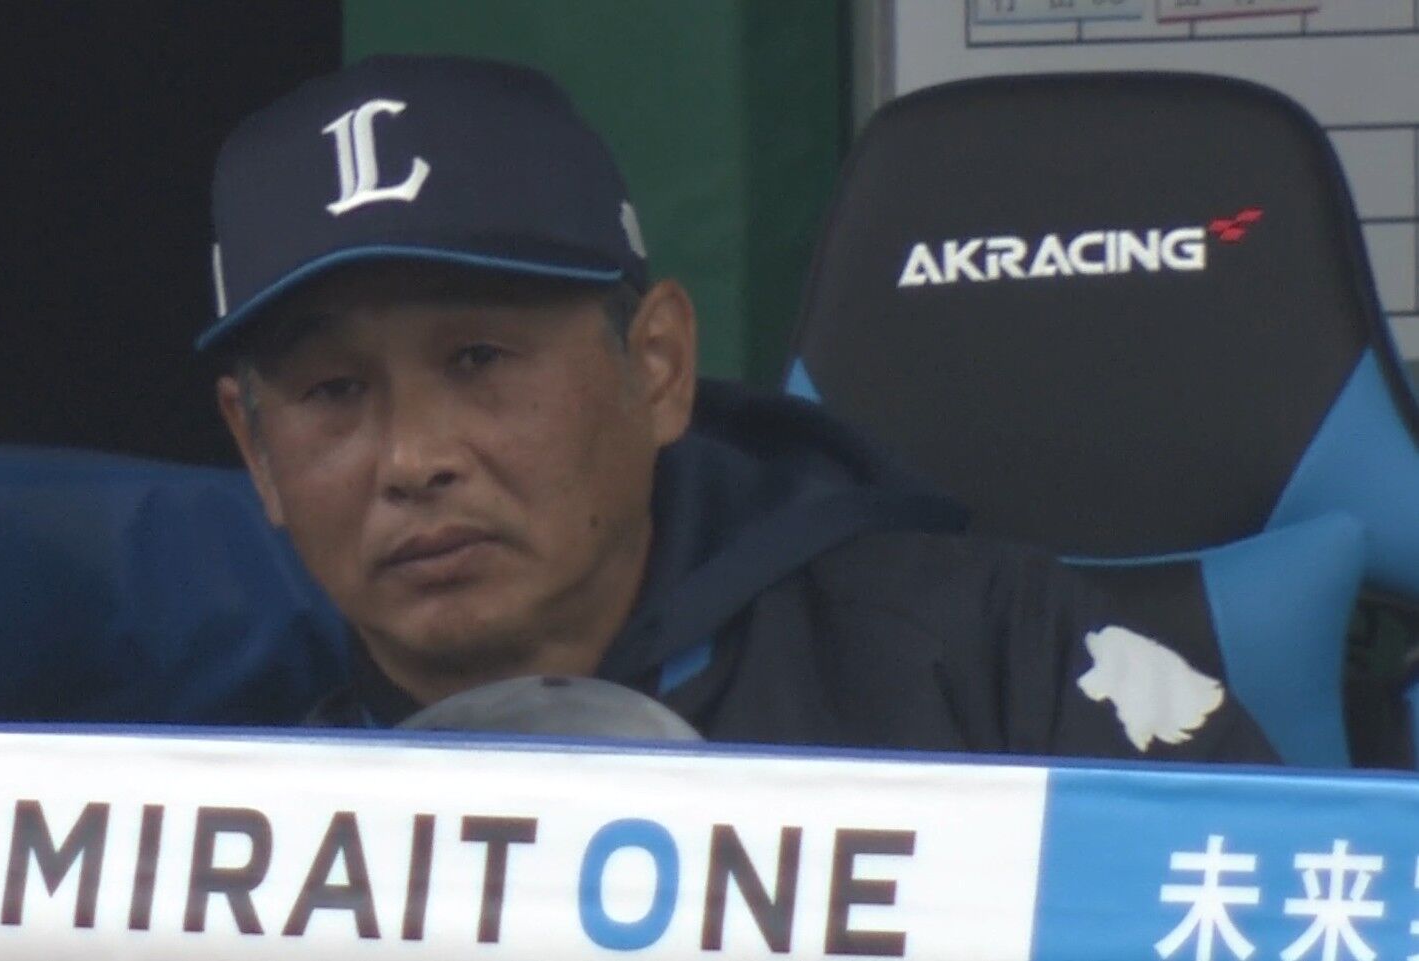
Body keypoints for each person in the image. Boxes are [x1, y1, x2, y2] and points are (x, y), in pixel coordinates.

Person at [197, 54, 1276, 762]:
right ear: (257, 451)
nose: (413, 457)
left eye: (478, 358)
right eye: (333, 391)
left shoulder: (987, 663)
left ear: (658, 367)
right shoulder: (218, 832)